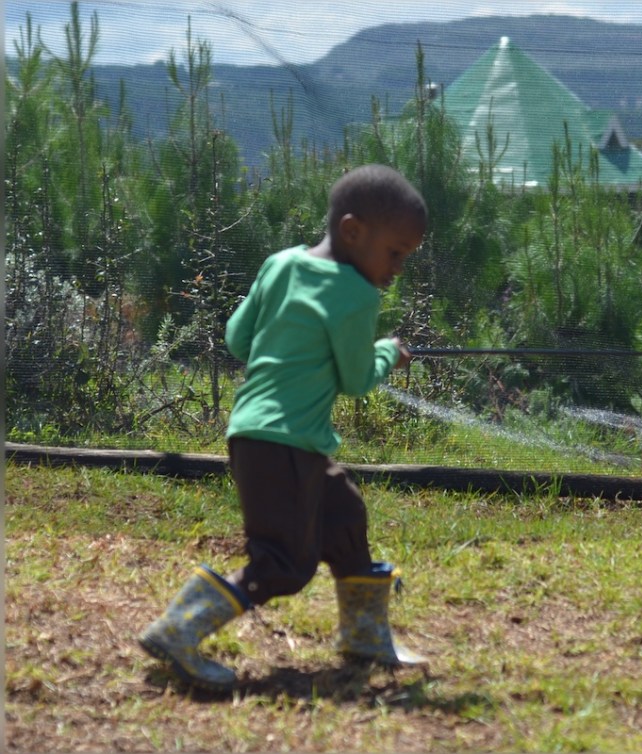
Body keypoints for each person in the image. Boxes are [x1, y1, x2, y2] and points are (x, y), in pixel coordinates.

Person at [138, 164, 428, 692]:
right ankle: (178, 630)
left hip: (254, 431)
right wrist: (388, 352)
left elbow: (236, 339)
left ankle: (365, 636)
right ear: (353, 231)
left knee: (344, 516)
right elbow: (358, 379)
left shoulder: (280, 264)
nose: (398, 268)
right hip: (286, 441)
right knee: (284, 565)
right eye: (396, 252)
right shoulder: (358, 295)